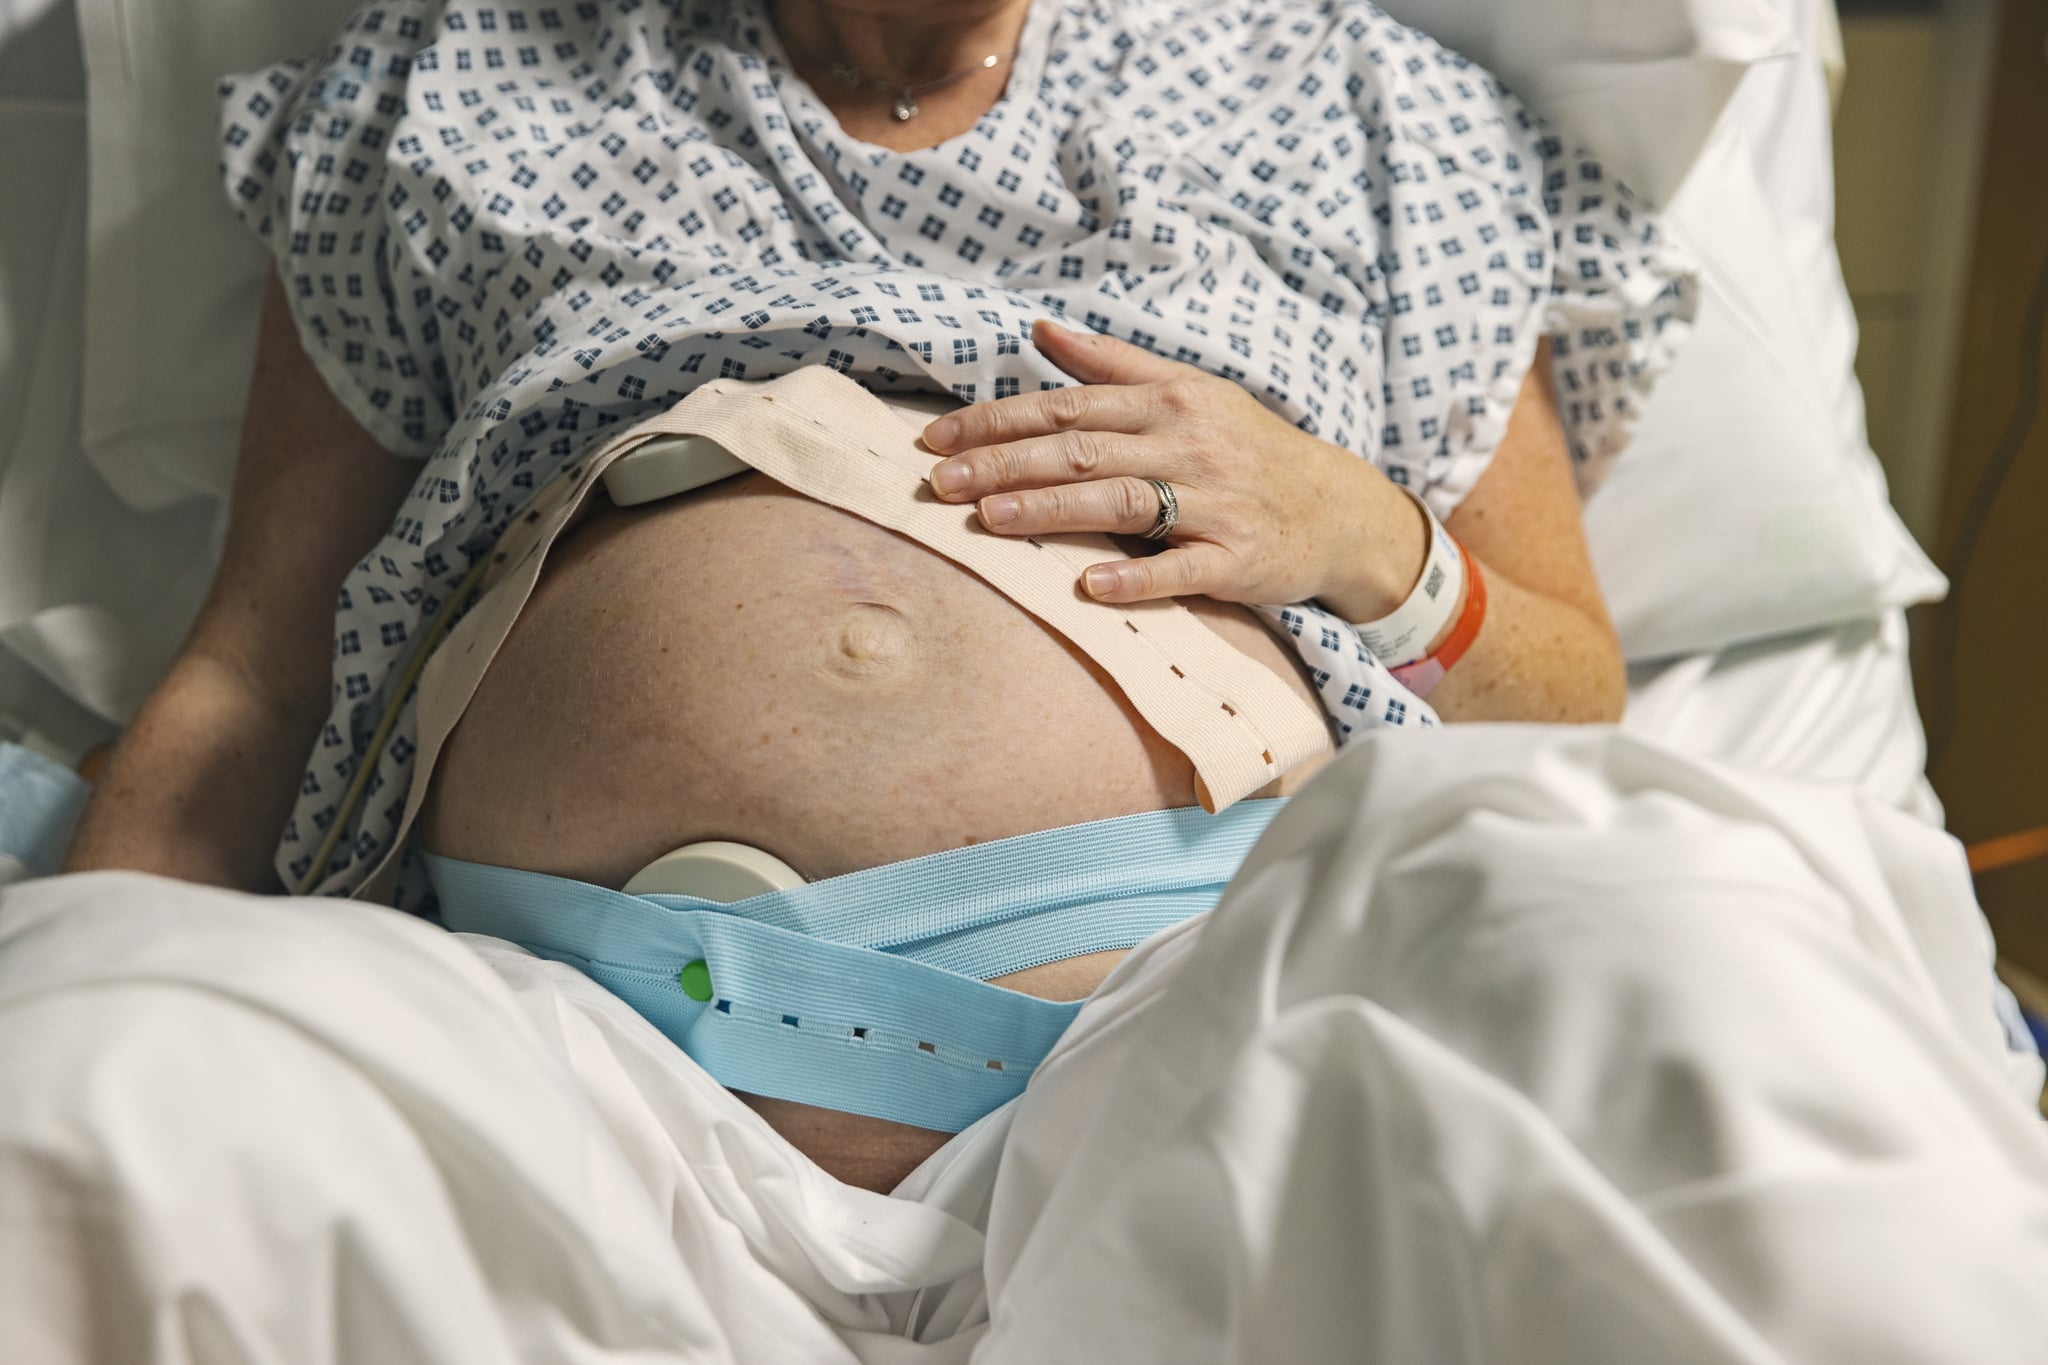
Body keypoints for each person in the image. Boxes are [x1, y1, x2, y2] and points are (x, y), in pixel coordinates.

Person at [61, 0, 1683, 1182]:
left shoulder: (1367, 111)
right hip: (546, 1062)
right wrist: (81, 993)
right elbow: (260, 676)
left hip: (1194, 1053)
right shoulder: (459, 81)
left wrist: (1364, 534)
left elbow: (1569, 697)